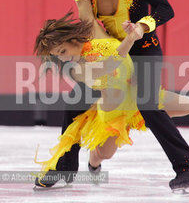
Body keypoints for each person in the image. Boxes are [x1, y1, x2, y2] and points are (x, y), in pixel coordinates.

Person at [36, 0, 189, 191]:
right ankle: (65, 167)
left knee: (148, 104)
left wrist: (142, 26)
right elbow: (84, 2)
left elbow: (166, 9)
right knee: (75, 103)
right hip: (108, 53)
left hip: (143, 49)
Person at [34, 12, 147, 185]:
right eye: (58, 55)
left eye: (62, 51)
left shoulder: (95, 29)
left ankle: (92, 162)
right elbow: (104, 67)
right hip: (99, 82)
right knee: (73, 105)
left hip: (125, 87)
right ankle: (65, 165)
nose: (62, 57)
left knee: (105, 153)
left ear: (72, 39)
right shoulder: (76, 66)